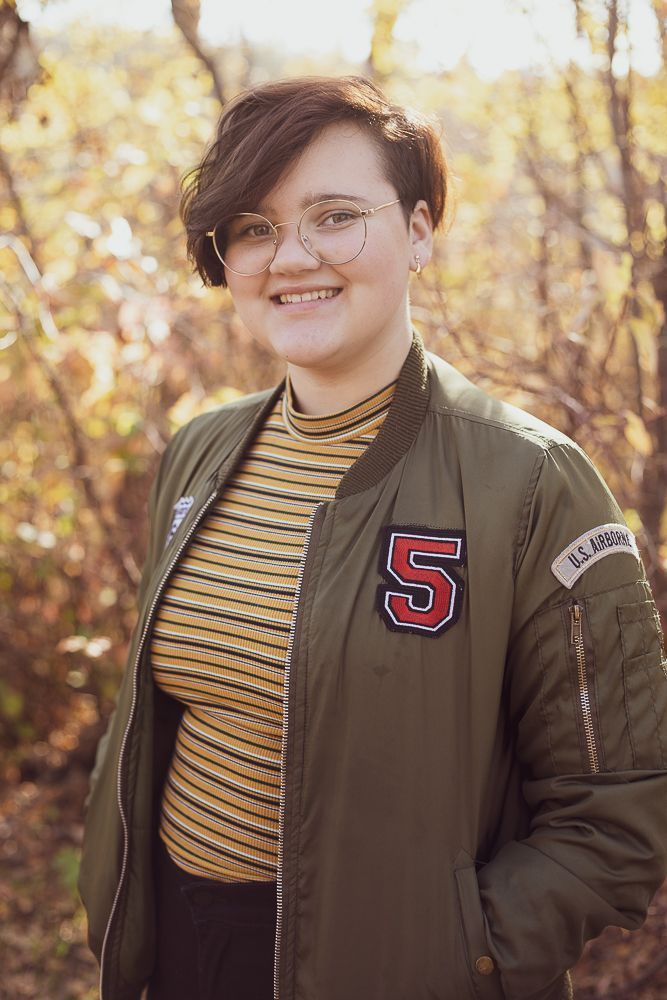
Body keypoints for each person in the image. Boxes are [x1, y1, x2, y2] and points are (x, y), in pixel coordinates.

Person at [78, 75, 667, 1000]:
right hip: (185, 956)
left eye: (335, 215)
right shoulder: (200, 451)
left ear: (421, 229)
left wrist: (458, 960)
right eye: (255, 227)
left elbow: (615, 816)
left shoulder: (529, 481)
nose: (290, 257)